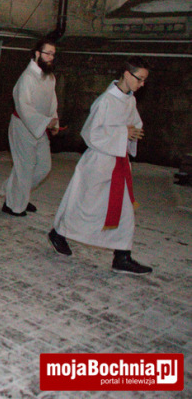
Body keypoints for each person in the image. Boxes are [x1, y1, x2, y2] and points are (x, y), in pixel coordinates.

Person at [48, 57, 152, 275]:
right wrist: (123, 133)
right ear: (127, 74)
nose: (142, 84)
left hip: (119, 163)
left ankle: (122, 256)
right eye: (140, 79)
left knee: (125, 210)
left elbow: (134, 124)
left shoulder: (130, 100)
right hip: (99, 163)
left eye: (144, 80)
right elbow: (90, 133)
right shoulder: (105, 101)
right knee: (84, 206)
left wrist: (131, 132)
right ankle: (59, 233)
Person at [0, 38, 60, 216]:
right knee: (25, 167)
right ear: (37, 54)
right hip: (22, 127)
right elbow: (23, 106)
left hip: (40, 128)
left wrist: (54, 121)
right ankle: (14, 205)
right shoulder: (27, 78)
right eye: (48, 53)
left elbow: (52, 101)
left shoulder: (50, 77)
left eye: (53, 54)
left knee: (43, 167)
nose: (51, 57)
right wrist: (44, 122)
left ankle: (16, 194)